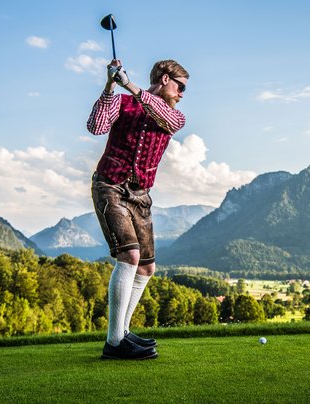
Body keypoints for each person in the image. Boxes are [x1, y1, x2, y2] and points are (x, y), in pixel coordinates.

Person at [87, 59, 189, 360]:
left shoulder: (174, 116)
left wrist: (129, 84)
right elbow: (96, 126)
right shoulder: (120, 102)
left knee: (146, 267)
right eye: (180, 87)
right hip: (110, 186)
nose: (183, 93)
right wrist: (110, 85)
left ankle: (123, 334)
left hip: (141, 195)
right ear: (166, 79)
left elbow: (164, 119)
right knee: (129, 256)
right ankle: (115, 342)